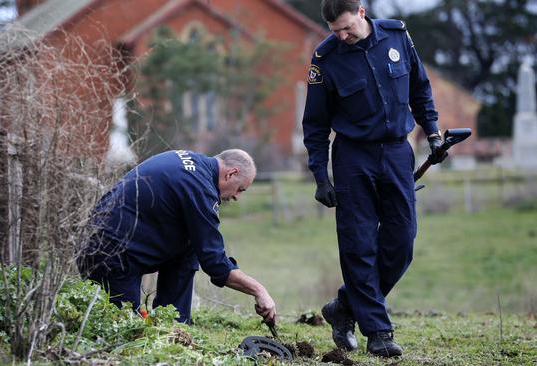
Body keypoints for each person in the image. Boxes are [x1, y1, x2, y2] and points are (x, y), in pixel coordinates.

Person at [302, 0, 445, 357]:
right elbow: (315, 124)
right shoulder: (325, 58)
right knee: (359, 245)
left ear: (362, 12)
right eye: (335, 31)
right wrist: (320, 175)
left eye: (347, 27)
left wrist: (433, 134)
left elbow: (420, 89)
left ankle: (344, 308)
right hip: (353, 158)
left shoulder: (397, 37)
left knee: (402, 241)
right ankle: (378, 332)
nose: (342, 36)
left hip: (397, 151)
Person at [78, 149, 277, 326]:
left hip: (107, 243)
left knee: (191, 244)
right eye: (240, 189)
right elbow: (215, 263)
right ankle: (165, 331)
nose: (236, 197)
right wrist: (259, 290)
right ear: (230, 173)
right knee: (125, 333)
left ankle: (175, 325)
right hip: (109, 258)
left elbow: (203, 245)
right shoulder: (200, 188)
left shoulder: (191, 162)